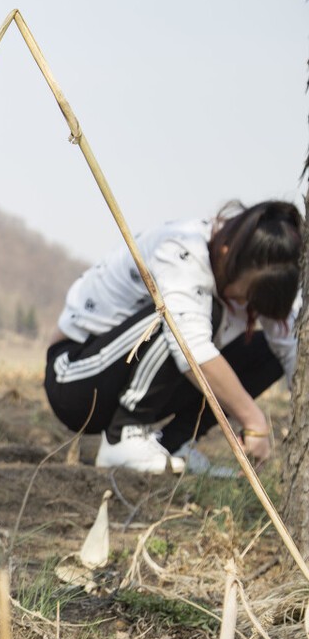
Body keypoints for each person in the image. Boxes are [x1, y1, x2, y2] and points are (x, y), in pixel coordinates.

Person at [44, 200, 302, 474]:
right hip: (75, 378)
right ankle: (123, 435)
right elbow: (191, 349)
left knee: (267, 352)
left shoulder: (268, 269)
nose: (246, 305)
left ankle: (174, 443)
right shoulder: (181, 247)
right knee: (195, 320)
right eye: (245, 294)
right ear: (227, 253)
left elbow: (291, 349)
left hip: (133, 376)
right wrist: (254, 420)